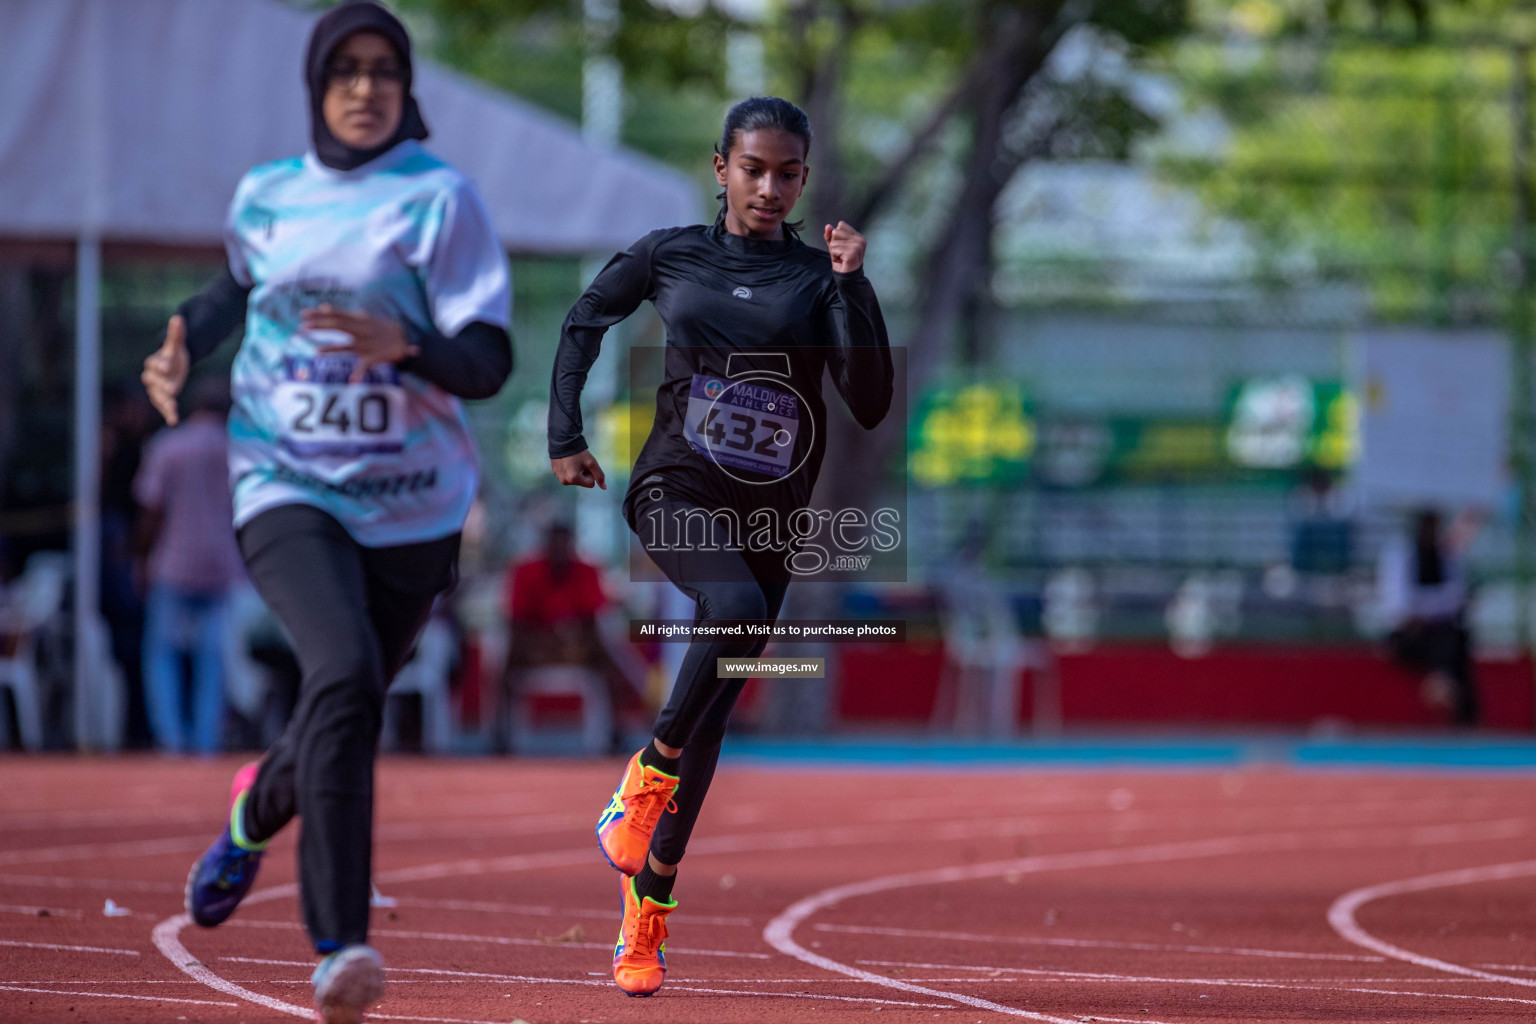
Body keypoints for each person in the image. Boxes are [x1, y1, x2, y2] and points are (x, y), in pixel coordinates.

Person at [139, 4, 512, 1020]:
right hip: (286, 480)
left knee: (340, 704)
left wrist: (406, 346)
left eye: (382, 68)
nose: (363, 86)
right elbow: (232, 290)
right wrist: (182, 340)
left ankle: (254, 813)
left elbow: (488, 361)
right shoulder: (267, 195)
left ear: (405, 87)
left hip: (415, 504)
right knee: (344, 674)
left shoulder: (441, 202)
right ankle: (339, 944)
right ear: (316, 86)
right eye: (343, 69)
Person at [548, 96, 893, 996]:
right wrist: (563, 435)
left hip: (772, 520)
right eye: (753, 169)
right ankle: (644, 774)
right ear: (720, 168)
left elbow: (868, 400)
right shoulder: (670, 254)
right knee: (729, 612)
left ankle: (646, 914)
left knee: (715, 714)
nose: (769, 187)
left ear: (804, 179)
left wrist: (856, 284)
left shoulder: (821, 279)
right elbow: (584, 319)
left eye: (786, 173)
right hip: (675, 487)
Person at [132, 377, 243, 755]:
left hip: (173, 562)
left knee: (162, 652)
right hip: (221, 564)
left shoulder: (169, 447)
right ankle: (206, 740)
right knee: (214, 658)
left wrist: (141, 557)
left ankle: (170, 738)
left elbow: (151, 508)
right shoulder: (236, 449)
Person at [497, 521, 639, 752]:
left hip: (577, 647)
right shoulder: (526, 571)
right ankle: (502, 734)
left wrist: (571, 642)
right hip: (535, 646)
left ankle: (614, 731)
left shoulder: (586, 571)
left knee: (607, 655)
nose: (559, 550)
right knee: (506, 660)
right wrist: (546, 642)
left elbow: (593, 621)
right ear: (545, 545)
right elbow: (516, 621)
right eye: (555, 544)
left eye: (564, 544)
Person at [1379, 507, 1482, 727]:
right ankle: (1444, 683)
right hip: (1407, 636)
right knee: (1444, 641)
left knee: (1455, 638)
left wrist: (1432, 608)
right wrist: (1435, 606)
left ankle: (1454, 699)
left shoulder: (1446, 556)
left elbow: (1457, 597)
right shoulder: (1401, 556)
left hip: (1441, 632)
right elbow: (1400, 605)